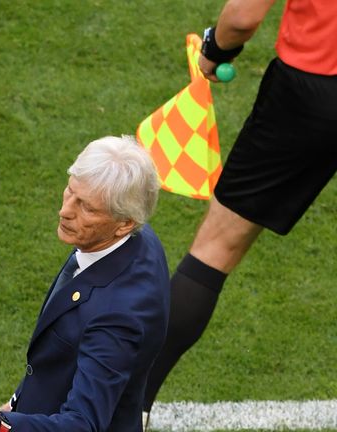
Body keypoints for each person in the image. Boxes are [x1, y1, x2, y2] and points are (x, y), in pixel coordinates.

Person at [142, 0, 337, 424]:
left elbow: (243, 18)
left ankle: (130, 405)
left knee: (215, 249)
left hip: (312, 91)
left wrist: (215, 49)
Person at [0, 135, 170, 431]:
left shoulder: (117, 317)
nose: (65, 211)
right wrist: (16, 402)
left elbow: (82, 424)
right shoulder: (131, 239)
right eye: (70, 191)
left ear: (125, 223)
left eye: (87, 208)